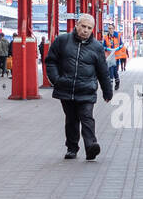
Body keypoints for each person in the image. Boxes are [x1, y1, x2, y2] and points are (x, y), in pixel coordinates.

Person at [45, 13, 113, 161]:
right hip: (66, 88)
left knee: (87, 117)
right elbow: (51, 61)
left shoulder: (96, 47)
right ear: (76, 25)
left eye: (89, 28)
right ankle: (72, 148)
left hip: (87, 89)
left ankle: (91, 147)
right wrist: (56, 79)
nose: (85, 30)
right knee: (71, 119)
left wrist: (107, 91)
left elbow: (103, 71)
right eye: (83, 26)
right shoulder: (62, 41)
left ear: (92, 30)